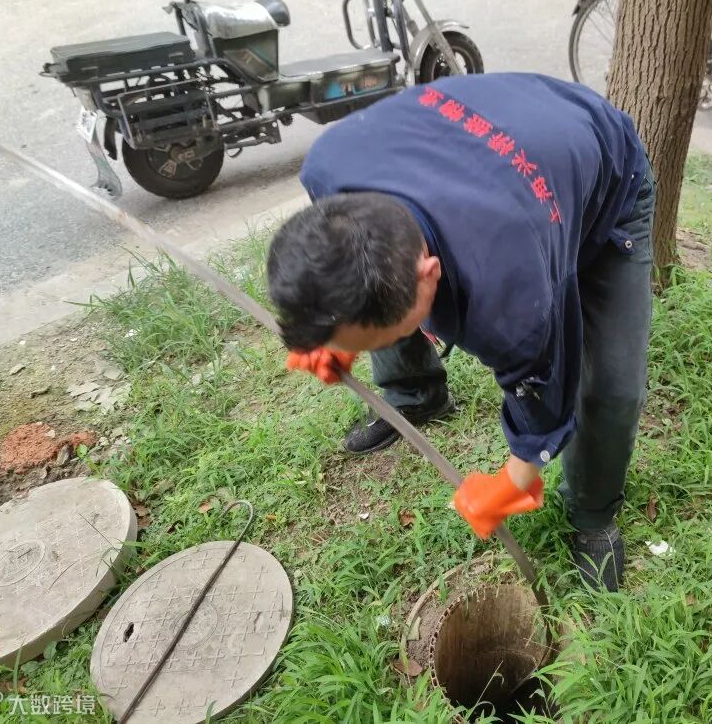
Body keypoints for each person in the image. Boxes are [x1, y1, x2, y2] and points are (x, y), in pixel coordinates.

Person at [267, 73, 653, 591]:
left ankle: (593, 513)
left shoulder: (510, 294)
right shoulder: (328, 168)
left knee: (612, 386)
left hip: (602, 167)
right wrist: (331, 339)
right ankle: (415, 395)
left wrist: (512, 482)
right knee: (381, 294)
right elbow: (354, 267)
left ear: (430, 274)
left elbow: (545, 393)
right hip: (496, 139)